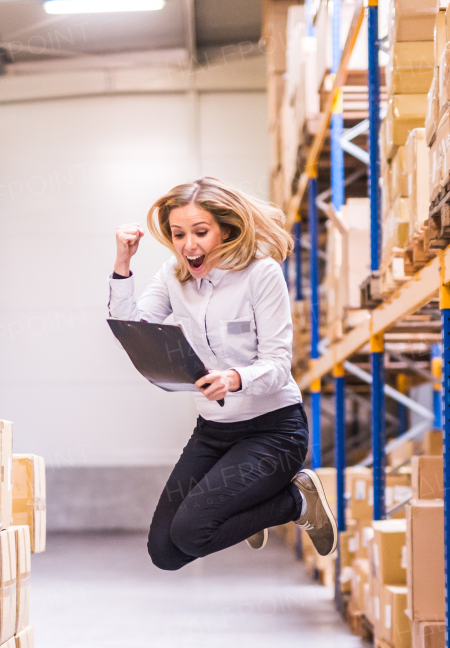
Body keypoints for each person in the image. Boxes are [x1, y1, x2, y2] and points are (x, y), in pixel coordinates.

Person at [108, 176, 337, 571]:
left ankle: (296, 501)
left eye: (200, 232)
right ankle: (246, 502)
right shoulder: (172, 275)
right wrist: (122, 263)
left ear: (226, 230)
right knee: (165, 553)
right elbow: (132, 327)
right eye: (179, 234)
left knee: (192, 532)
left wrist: (234, 378)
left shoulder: (260, 274)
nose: (188, 245)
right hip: (214, 432)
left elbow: (279, 364)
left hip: (274, 431)